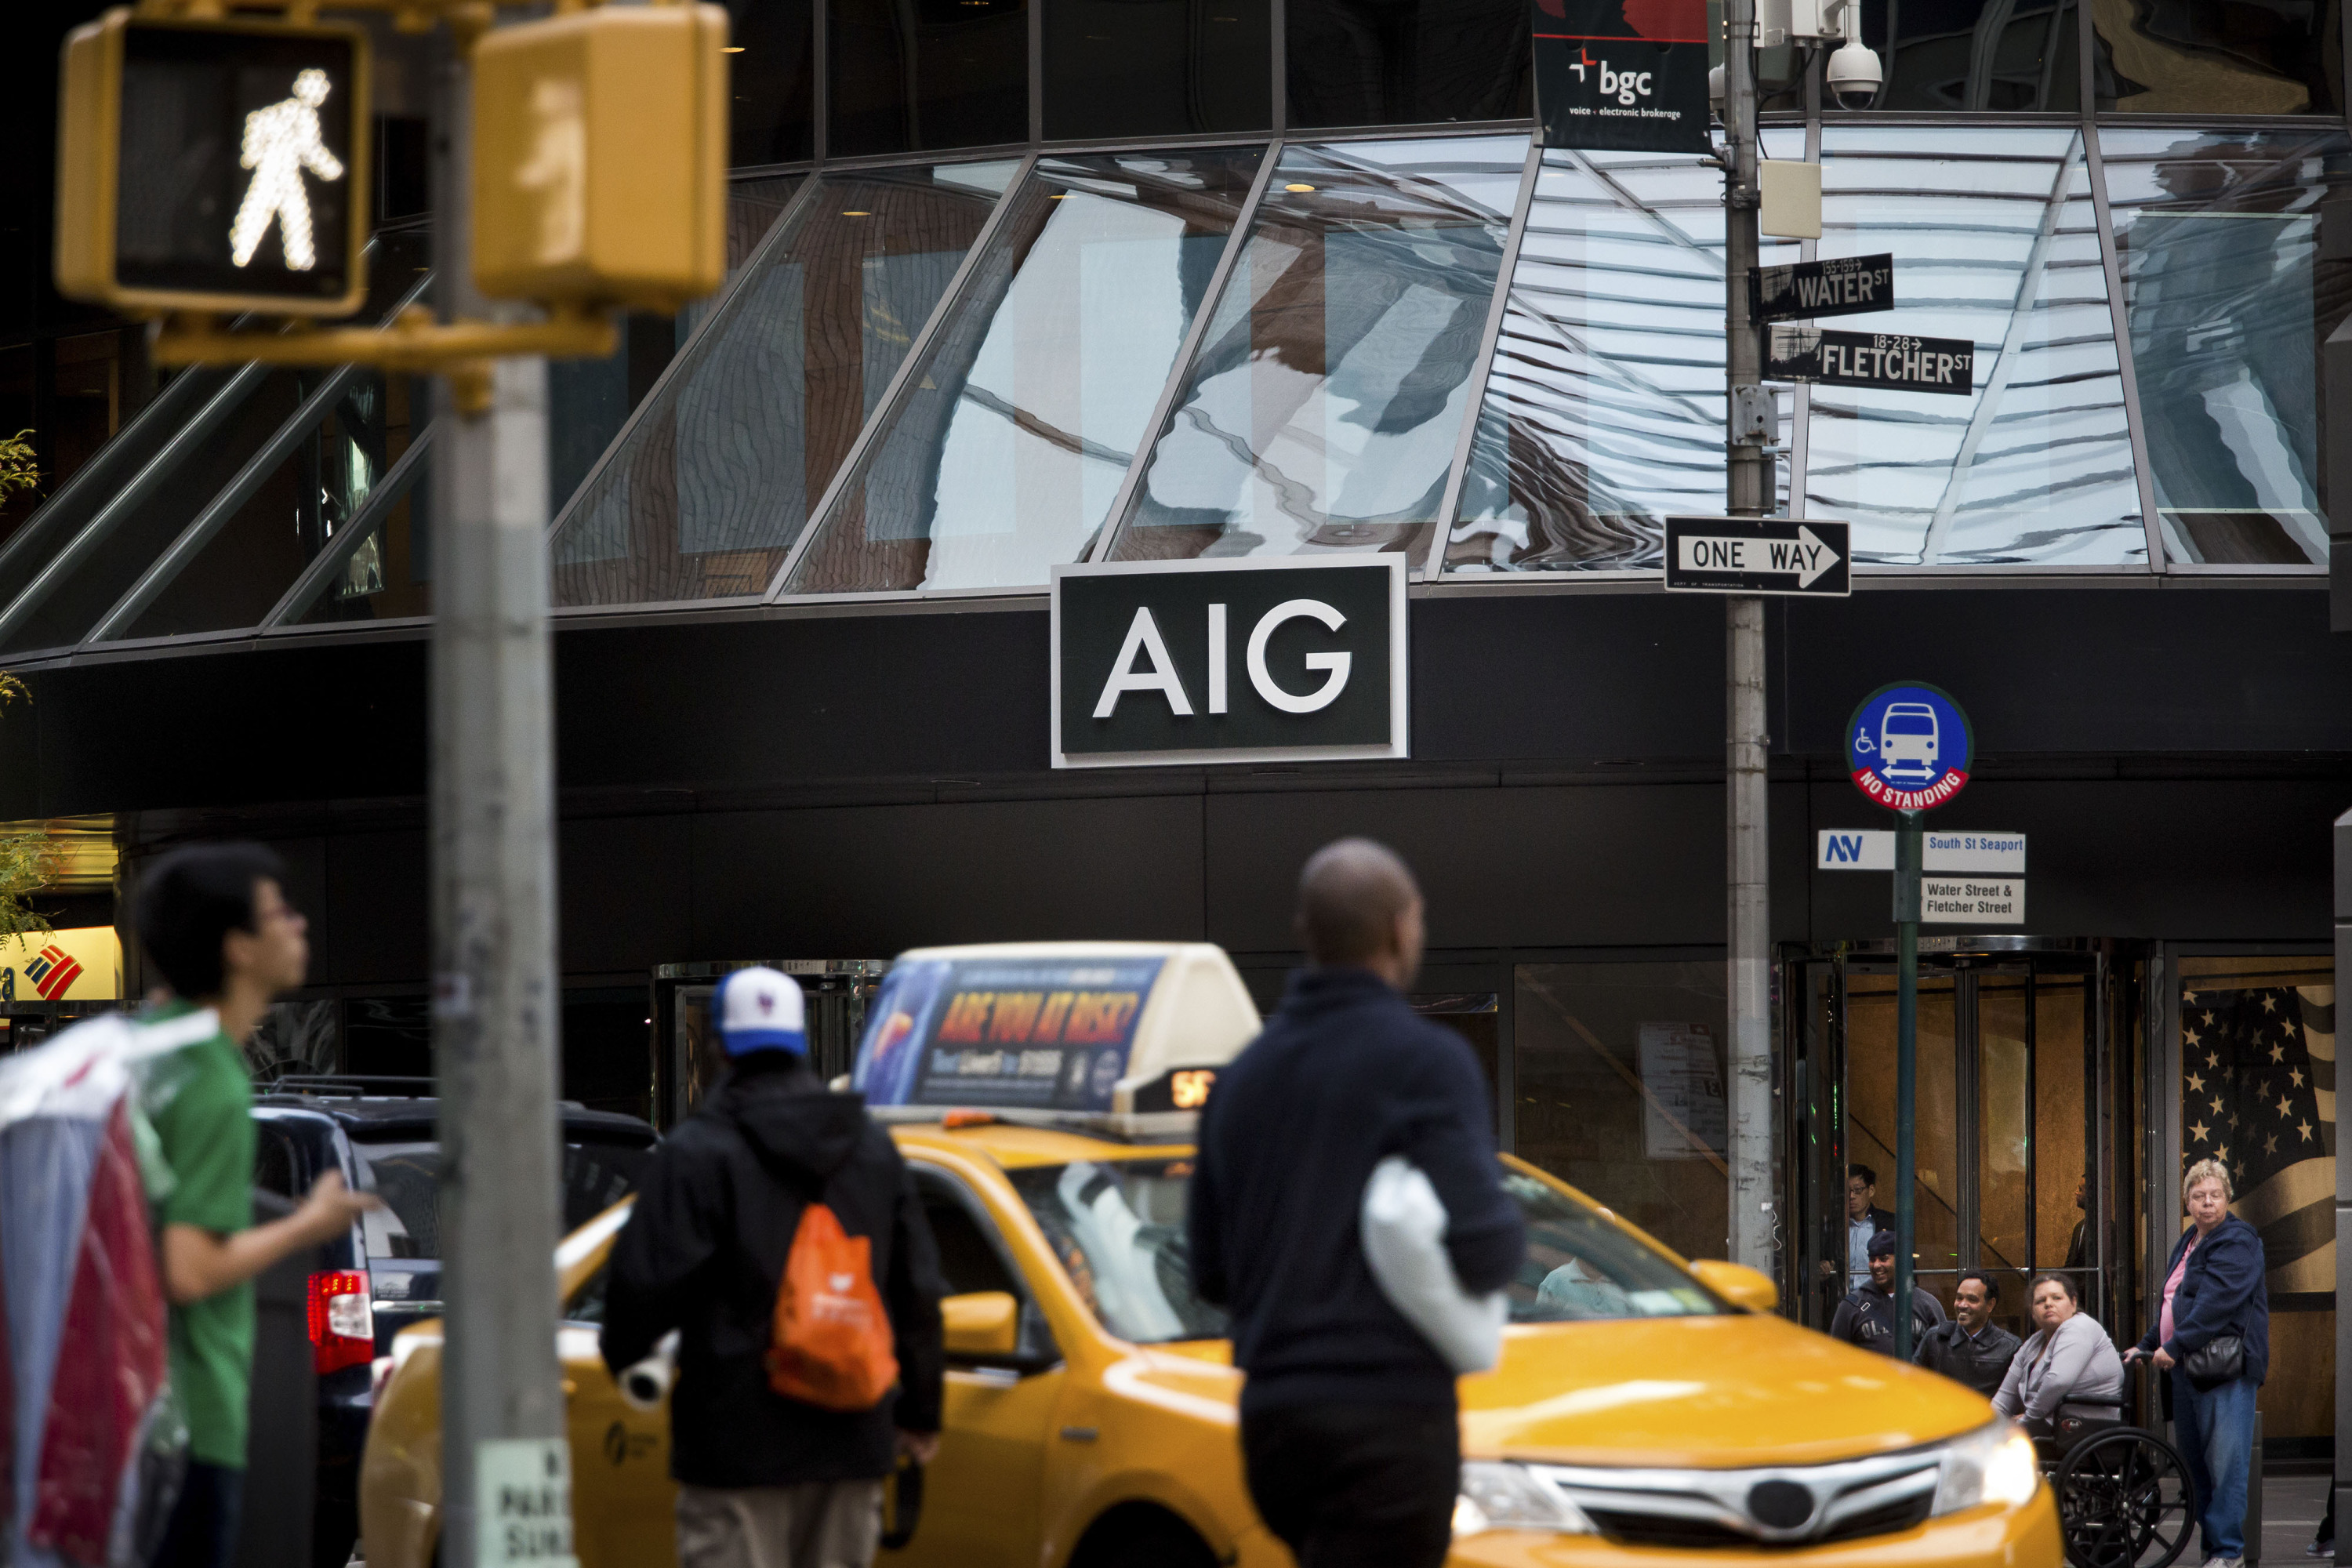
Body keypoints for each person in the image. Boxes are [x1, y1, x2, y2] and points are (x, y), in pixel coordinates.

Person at [1188, 838, 1523, 1568]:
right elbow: (1488, 1246)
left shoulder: (1238, 1079)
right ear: (1402, 929)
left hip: (1272, 1427)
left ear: (1306, 936)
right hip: (1391, 1421)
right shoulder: (1428, 1063)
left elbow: (1209, 1274)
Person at [601, 967, 946, 1568]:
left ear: (720, 1049)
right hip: (852, 1435)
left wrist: (630, 1357)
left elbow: (641, 1287)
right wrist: (920, 1410)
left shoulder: (696, 1153)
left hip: (735, 1444)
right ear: (801, 1045)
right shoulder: (870, 1147)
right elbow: (916, 1285)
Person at [136, 843, 381, 1568]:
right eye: (280, 912)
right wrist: (310, 1224)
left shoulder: (149, 1047)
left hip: (131, 1417)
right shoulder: (211, 1078)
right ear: (239, 947)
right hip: (196, 1419)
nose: (300, 926)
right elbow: (190, 1267)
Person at [2125, 1159, 2269, 1568]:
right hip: (2188, 1369)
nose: (2207, 1203)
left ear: (2228, 1198)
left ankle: (2228, 1553)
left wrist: (2175, 1345)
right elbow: (2175, 1302)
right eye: (2198, 1196)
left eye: (2215, 1196)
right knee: (2196, 1465)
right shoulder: (2190, 1239)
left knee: (2226, 1464)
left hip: (2223, 1371)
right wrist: (2147, 1344)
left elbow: (2216, 1304)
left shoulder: (2238, 1240)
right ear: (2187, 1201)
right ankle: (2214, 1551)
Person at [1992, 1274, 2125, 1439]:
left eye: (2057, 1298)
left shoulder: (2080, 1327)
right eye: (2040, 1301)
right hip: (2046, 1426)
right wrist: (1984, 1426)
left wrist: (2026, 1421)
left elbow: (2058, 1381)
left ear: (2073, 1303)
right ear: (2033, 1312)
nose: (2048, 1304)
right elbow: (2005, 1397)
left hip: (2082, 1429)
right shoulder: (2034, 1343)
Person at [1828, 1230, 1945, 1354]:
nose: (1876, 1265)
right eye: (1872, 1259)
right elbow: (1835, 1355)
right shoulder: (1851, 1306)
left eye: (1883, 1259)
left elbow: (1942, 1356)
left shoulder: (1928, 1305)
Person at [1912, 1271, 2021, 1397]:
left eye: (1972, 1300)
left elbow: (2016, 1398)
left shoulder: (2009, 1347)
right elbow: (1914, 1381)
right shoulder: (1935, 1338)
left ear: (1990, 1305)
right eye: (1959, 1298)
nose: (1962, 1305)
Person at [1819, 1164, 1896, 1301]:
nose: (1851, 1196)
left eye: (1858, 1190)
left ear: (1871, 1190)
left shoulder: (1890, 1224)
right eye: (1847, 1191)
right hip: (1843, 1301)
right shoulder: (1833, 1227)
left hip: (1880, 1300)